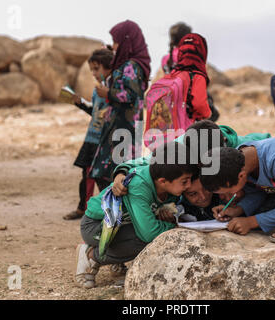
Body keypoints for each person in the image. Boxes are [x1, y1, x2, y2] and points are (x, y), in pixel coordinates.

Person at [75, 141, 199, 288]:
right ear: (163, 181)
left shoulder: (166, 179)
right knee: (148, 239)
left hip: (121, 225)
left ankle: (115, 260)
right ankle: (90, 255)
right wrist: (176, 227)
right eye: (185, 181)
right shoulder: (139, 186)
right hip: (94, 226)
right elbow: (148, 233)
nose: (189, 185)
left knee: (149, 229)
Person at [112, 120, 271, 196]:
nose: (204, 167)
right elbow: (150, 161)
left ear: (224, 146)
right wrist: (121, 173)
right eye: (199, 163)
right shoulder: (186, 144)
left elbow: (270, 144)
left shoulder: (244, 148)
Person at [89, 20, 151, 186]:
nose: (114, 46)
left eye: (117, 41)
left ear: (127, 41)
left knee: (115, 174)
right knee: (106, 173)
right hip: (119, 126)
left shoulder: (131, 66)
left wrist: (108, 93)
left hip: (124, 128)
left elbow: (132, 95)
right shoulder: (127, 64)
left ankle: (115, 211)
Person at [63, 49, 114, 220]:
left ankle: (108, 209)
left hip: (104, 142)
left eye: (96, 69)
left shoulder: (114, 91)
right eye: (91, 69)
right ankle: (82, 208)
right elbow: (96, 113)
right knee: (86, 176)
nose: (93, 73)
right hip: (91, 139)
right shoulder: (97, 91)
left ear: (108, 67)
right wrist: (80, 104)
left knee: (103, 178)